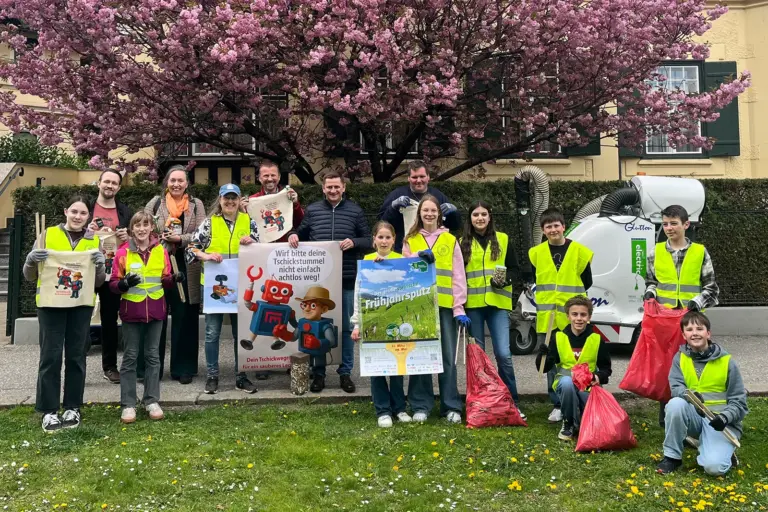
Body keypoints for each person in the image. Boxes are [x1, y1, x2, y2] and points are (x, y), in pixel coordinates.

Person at [23, 195, 107, 432]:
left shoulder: (94, 242)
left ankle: (72, 407)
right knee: (50, 357)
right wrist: (30, 261)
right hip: (50, 306)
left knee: (76, 356)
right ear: (65, 211)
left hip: (80, 306)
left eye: (82, 213)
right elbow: (29, 275)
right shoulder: (48, 235)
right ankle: (49, 410)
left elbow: (98, 282)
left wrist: (101, 265)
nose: (78, 217)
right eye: (74, 211)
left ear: (88, 217)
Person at [288, 172, 371, 393]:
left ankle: (345, 373)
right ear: (323, 189)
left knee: (345, 328)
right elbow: (301, 232)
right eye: (329, 187)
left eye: (337, 187)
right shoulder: (314, 210)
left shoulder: (355, 211)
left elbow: (369, 240)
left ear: (344, 188)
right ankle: (319, 374)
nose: (333, 191)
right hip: (320, 281)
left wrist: (354, 241)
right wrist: (294, 235)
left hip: (346, 279)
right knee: (316, 328)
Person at [644, 204, 719, 427]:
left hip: (692, 322)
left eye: (673, 223)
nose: (668, 228)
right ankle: (667, 417)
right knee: (667, 368)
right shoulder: (654, 252)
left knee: (695, 367)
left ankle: (697, 417)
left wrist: (695, 303)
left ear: (686, 224)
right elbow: (652, 282)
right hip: (664, 323)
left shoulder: (699, 252)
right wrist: (650, 292)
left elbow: (711, 288)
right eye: (665, 224)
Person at [110, 212, 183, 423]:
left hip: (156, 310)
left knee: (153, 357)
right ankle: (128, 404)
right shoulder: (122, 252)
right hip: (132, 311)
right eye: (137, 226)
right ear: (131, 229)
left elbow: (164, 280)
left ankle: (151, 400)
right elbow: (114, 284)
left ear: (152, 227)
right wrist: (124, 284)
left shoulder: (161, 250)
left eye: (145, 225)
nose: (142, 229)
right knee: (130, 357)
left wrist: (174, 279)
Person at [188, 184, 260, 395]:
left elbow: (262, 251)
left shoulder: (250, 222)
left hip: (242, 285)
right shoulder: (209, 223)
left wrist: (252, 243)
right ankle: (212, 375)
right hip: (214, 287)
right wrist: (207, 256)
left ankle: (241, 375)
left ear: (239, 201)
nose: (230, 202)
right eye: (226, 198)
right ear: (220, 200)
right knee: (212, 333)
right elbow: (191, 248)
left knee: (241, 332)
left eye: (234, 198)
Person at [403, 195, 469, 424]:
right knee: (420, 356)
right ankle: (420, 405)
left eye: (433, 211)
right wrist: (415, 258)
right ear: (419, 214)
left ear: (439, 215)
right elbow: (404, 269)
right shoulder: (410, 239)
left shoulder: (450, 240)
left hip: (445, 306)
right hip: (419, 306)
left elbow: (458, 275)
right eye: (425, 211)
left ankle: (451, 406)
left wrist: (459, 307)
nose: (429, 214)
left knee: (448, 358)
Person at [656, 311, 747, 475]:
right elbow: (676, 387)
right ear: (684, 335)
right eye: (689, 329)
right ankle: (672, 458)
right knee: (675, 404)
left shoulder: (727, 362)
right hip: (696, 417)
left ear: (708, 333)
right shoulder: (680, 358)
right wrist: (686, 394)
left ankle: (723, 449)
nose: (695, 333)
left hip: (721, 422)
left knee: (714, 468)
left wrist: (725, 417)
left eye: (699, 328)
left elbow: (739, 402)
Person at [460, 201, 526, 420]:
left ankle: (512, 401)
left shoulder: (504, 239)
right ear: (470, 218)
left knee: (504, 355)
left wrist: (506, 279)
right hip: (473, 306)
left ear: (490, 217)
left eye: (484, 214)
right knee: (477, 358)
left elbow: (515, 269)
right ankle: (480, 402)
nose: (480, 218)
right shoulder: (462, 243)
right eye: (476, 214)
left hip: (497, 304)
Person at [528, 207, 593, 424]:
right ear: (543, 230)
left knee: (577, 358)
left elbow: (587, 281)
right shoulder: (536, 253)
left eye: (557, 225)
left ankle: (580, 397)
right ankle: (557, 403)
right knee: (551, 360)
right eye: (549, 226)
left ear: (563, 227)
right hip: (548, 318)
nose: (553, 229)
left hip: (574, 318)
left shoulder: (579, 252)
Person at [242, 159, 305, 380]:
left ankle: (289, 360)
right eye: (265, 175)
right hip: (263, 259)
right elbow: (245, 227)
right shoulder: (252, 200)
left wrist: (296, 203)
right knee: (265, 307)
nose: (269, 179)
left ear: (279, 177)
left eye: (273, 175)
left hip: (286, 259)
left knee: (285, 306)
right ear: (259, 177)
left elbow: (300, 222)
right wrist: (244, 211)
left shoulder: (287, 196)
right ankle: (262, 362)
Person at [144, 165, 207, 384]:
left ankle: (184, 367)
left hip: (186, 263)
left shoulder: (196, 205)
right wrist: (161, 237)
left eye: (181, 180)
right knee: (155, 313)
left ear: (187, 183)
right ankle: (152, 367)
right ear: (166, 183)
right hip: (160, 263)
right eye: (173, 180)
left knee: (185, 316)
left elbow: (202, 235)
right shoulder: (155, 203)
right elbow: (143, 230)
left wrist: (180, 239)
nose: (177, 184)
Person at [351, 221, 413, 428]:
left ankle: (400, 408)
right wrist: (357, 324)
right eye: (380, 237)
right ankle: (383, 410)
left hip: (396, 322)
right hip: (372, 323)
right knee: (377, 368)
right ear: (374, 240)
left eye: (388, 237)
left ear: (394, 240)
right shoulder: (367, 262)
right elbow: (359, 295)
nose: (384, 241)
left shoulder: (402, 260)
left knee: (397, 366)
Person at [535, 296, 612, 441]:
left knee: (591, 426)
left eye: (583, 314)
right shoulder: (558, 338)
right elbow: (543, 368)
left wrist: (598, 377)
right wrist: (542, 354)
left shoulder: (597, 339)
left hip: (588, 387)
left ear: (589, 317)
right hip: (565, 385)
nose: (579, 318)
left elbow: (606, 369)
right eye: (574, 314)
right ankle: (568, 423)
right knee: (567, 383)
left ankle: (584, 420)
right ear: (568, 316)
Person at [87, 170, 132, 385]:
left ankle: (110, 366)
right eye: (107, 181)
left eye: (114, 183)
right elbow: (72, 233)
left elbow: (135, 241)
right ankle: (75, 364)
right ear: (99, 183)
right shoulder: (85, 207)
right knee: (79, 318)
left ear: (119, 188)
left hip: (112, 272)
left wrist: (128, 237)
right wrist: (87, 232)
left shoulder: (124, 211)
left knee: (109, 319)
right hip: (86, 270)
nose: (110, 186)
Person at [378, 160, 461, 252]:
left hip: (434, 250)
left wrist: (454, 212)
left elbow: (454, 226)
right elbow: (381, 223)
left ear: (428, 177)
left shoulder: (438, 196)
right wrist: (392, 207)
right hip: (404, 249)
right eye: (414, 177)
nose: (418, 180)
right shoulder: (396, 195)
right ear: (408, 178)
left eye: (422, 176)